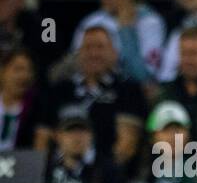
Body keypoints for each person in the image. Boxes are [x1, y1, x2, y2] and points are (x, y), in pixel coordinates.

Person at [36, 25, 147, 175]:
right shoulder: (59, 90)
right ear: (78, 53)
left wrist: (99, 175)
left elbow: (126, 146)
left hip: (105, 179)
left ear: (114, 53)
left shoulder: (127, 91)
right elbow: (42, 140)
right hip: (58, 177)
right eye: (87, 48)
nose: (94, 54)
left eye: (100, 47)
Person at [71, 0, 167, 86]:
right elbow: (78, 65)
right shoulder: (91, 21)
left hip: (134, 94)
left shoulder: (150, 22)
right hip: (94, 89)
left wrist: (126, 30)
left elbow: (145, 76)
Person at [0, 48, 39, 152]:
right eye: (18, 69)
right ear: (2, 71)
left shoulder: (36, 109)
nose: (24, 76)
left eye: (29, 70)